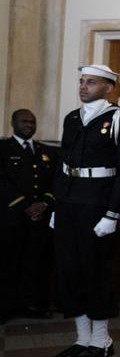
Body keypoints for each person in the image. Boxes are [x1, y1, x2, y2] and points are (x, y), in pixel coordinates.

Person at [51, 64, 120, 357]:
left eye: (92, 82)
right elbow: (63, 163)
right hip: (69, 201)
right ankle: (81, 338)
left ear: (108, 88)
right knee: (69, 270)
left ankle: (101, 340)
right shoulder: (72, 118)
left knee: (94, 270)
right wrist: (56, 207)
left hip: (97, 204)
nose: (84, 87)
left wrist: (113, 213)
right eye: (82, 81)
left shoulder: (117, 119)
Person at [0, 109, 57, 322]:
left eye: (32, 122)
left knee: (37, 263)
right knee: (8, 263)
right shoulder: (3, 148)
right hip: (11, 217)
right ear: (13, 123)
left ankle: (33, 304)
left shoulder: (46, 151)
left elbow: (55, 181)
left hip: (40, 219)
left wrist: (45, 203)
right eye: (24, 121)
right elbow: (2, 181)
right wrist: (25, 205)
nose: (29, 125)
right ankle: (6, 307)